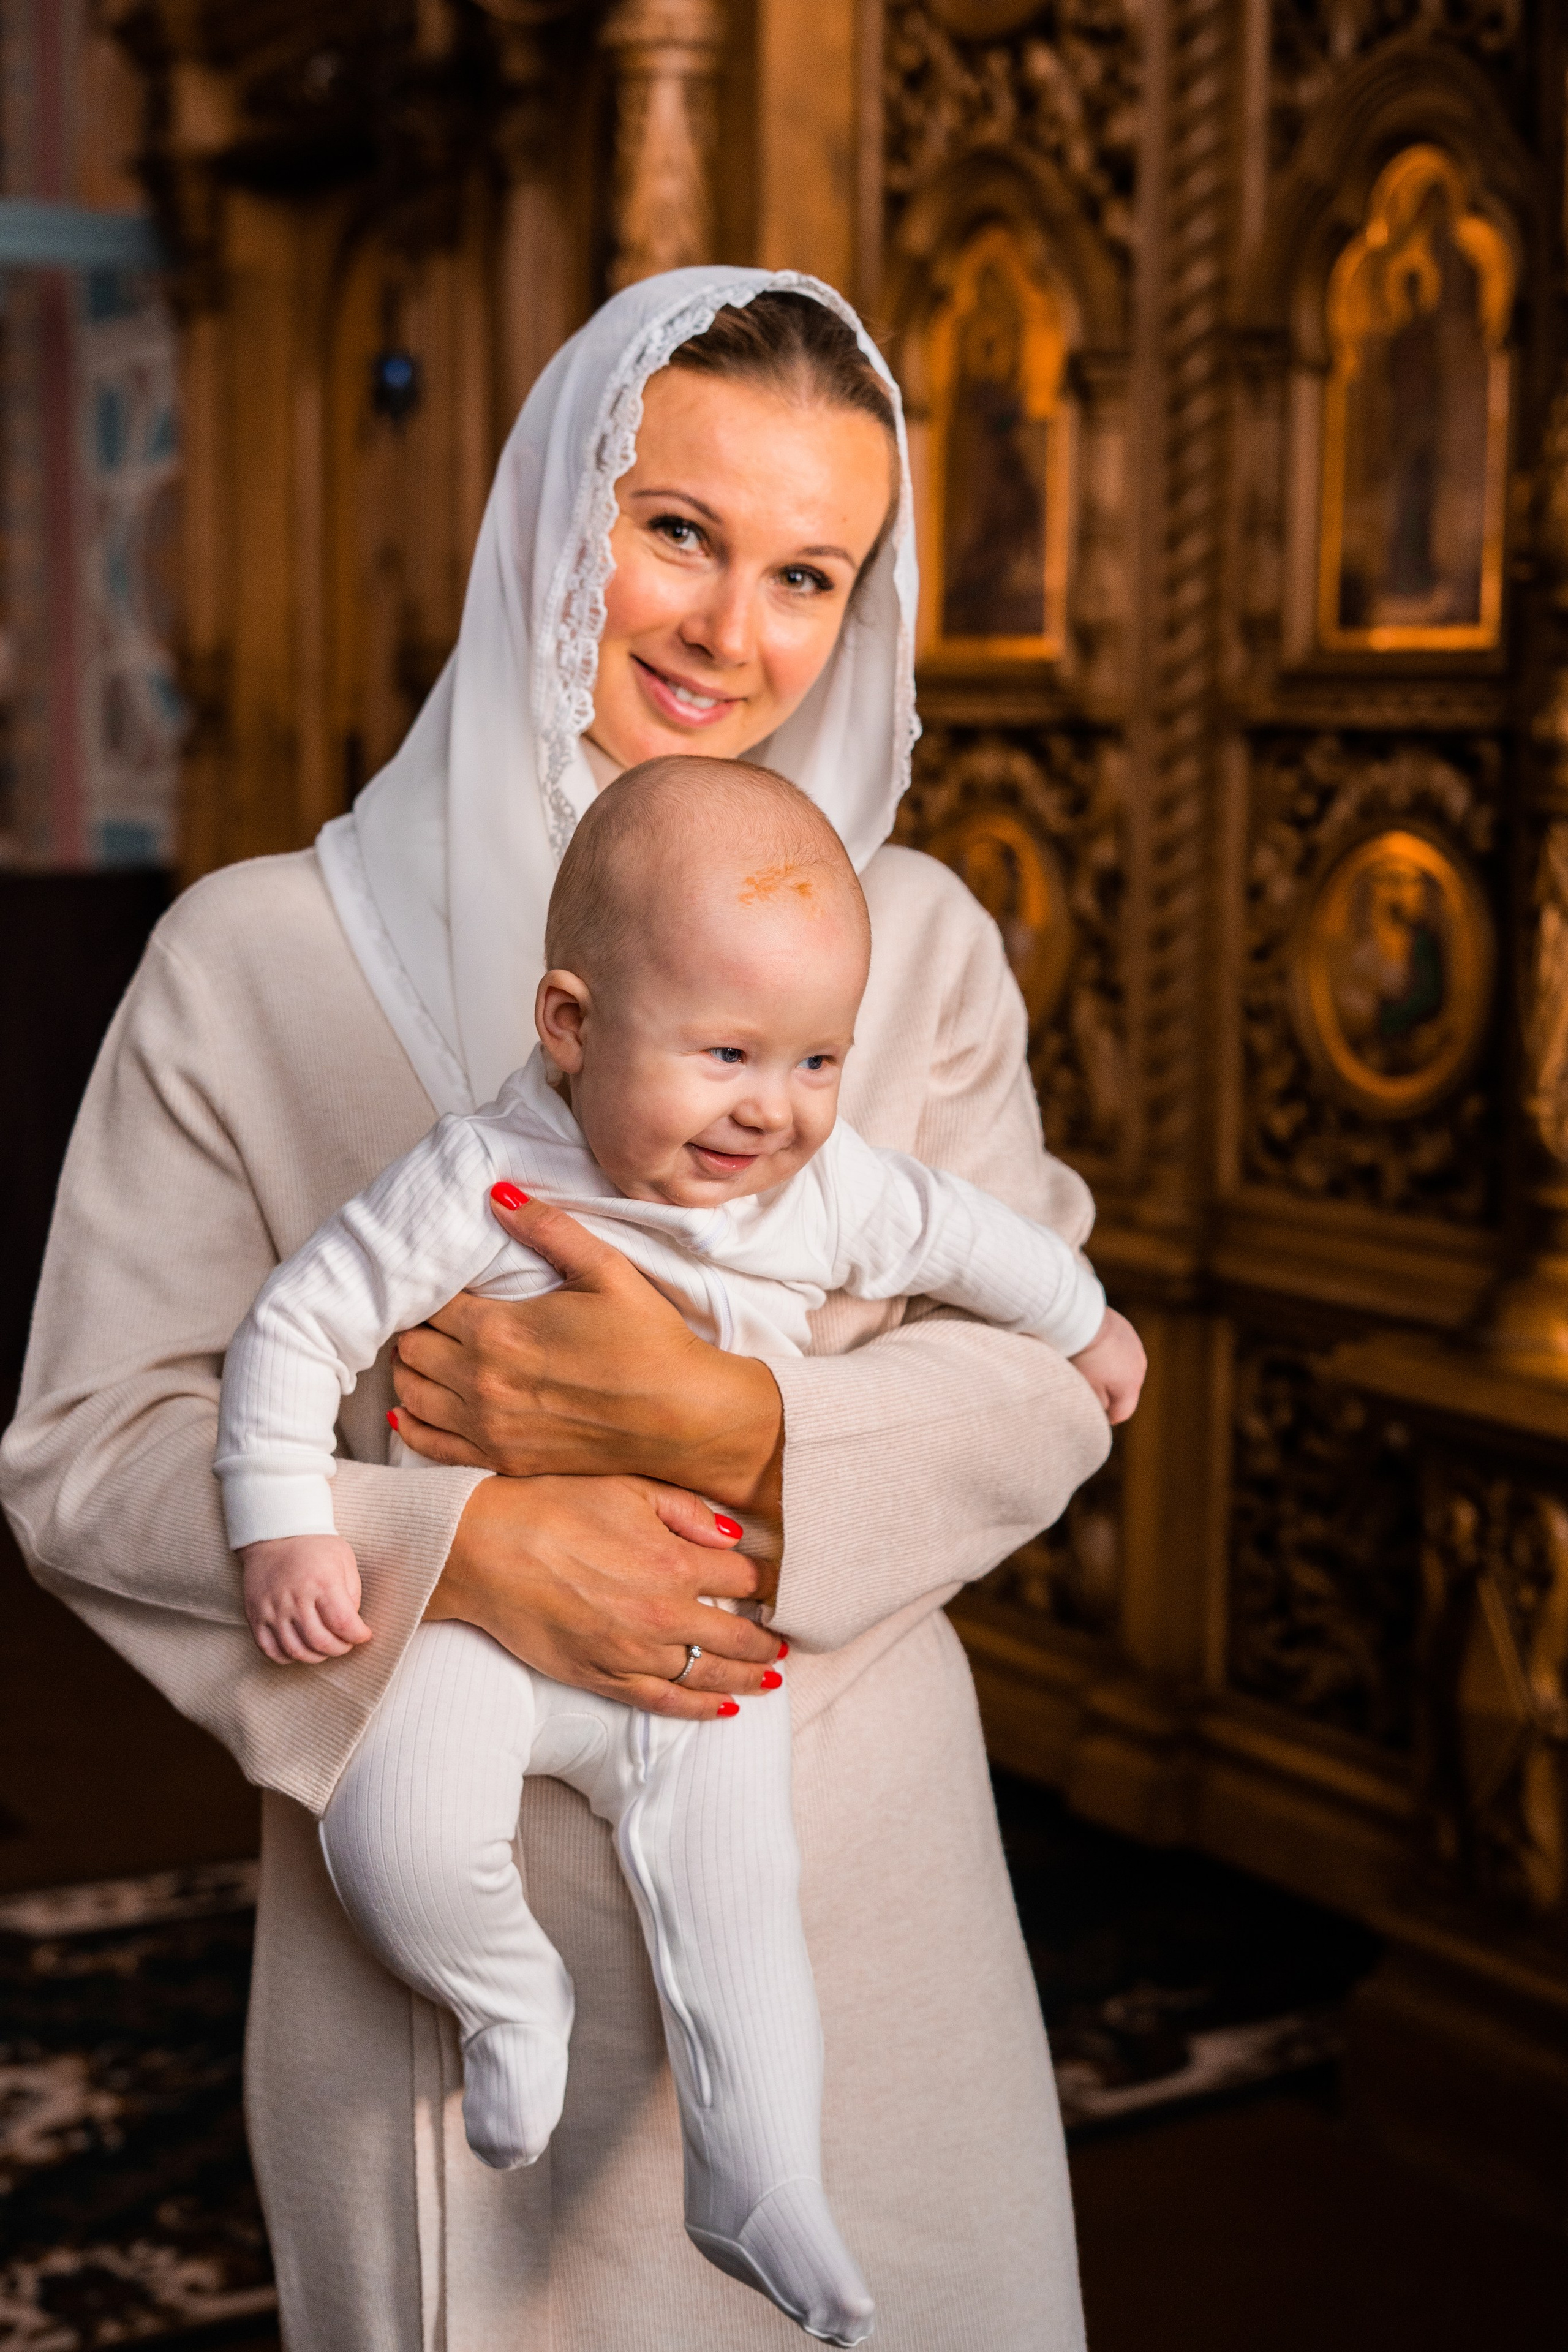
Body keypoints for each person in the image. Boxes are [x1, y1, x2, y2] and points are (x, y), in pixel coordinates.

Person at [1, 270, 1118, 2350]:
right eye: (678, 530)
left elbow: (1048, 1382)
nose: (729, 630)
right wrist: (462, 1550)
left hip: (855, 1903)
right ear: (551, 511)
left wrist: (730, 1428)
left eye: (809, 574)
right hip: (430, 1955)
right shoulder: (253, 956)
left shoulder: (912, 945)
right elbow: (86, 1453)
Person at [219, 756, 1144, 2345]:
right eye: (725, 1055)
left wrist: (1086, 1322)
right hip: (487, 1632)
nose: (772, 1108)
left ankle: (757, 2177)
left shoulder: (819, 1189)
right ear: (572, 1026)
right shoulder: (480, 1177)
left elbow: (972, 1236)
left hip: (706, 1648)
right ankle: (508, 1999)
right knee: (394, 1826)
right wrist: (286, 1522)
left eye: (817, 1061)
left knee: (739, 1913)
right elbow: (300, 1324)